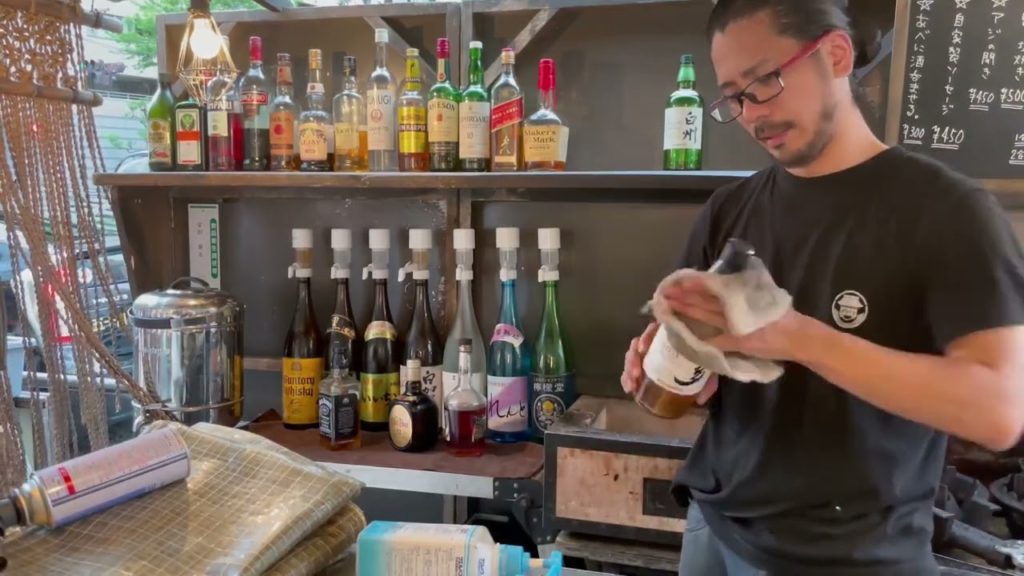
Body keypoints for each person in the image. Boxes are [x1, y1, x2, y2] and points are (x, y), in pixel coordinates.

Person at [620, 1, 1024, 575]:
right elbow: (708, 367)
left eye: (764, 81)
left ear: (835, 54)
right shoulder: (730, 210)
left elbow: (999, 410)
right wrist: (677, 369)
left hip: (849, 554)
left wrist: (803, 338)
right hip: (716, 525)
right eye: (734, 96)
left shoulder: (947, 212)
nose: (753, 113)